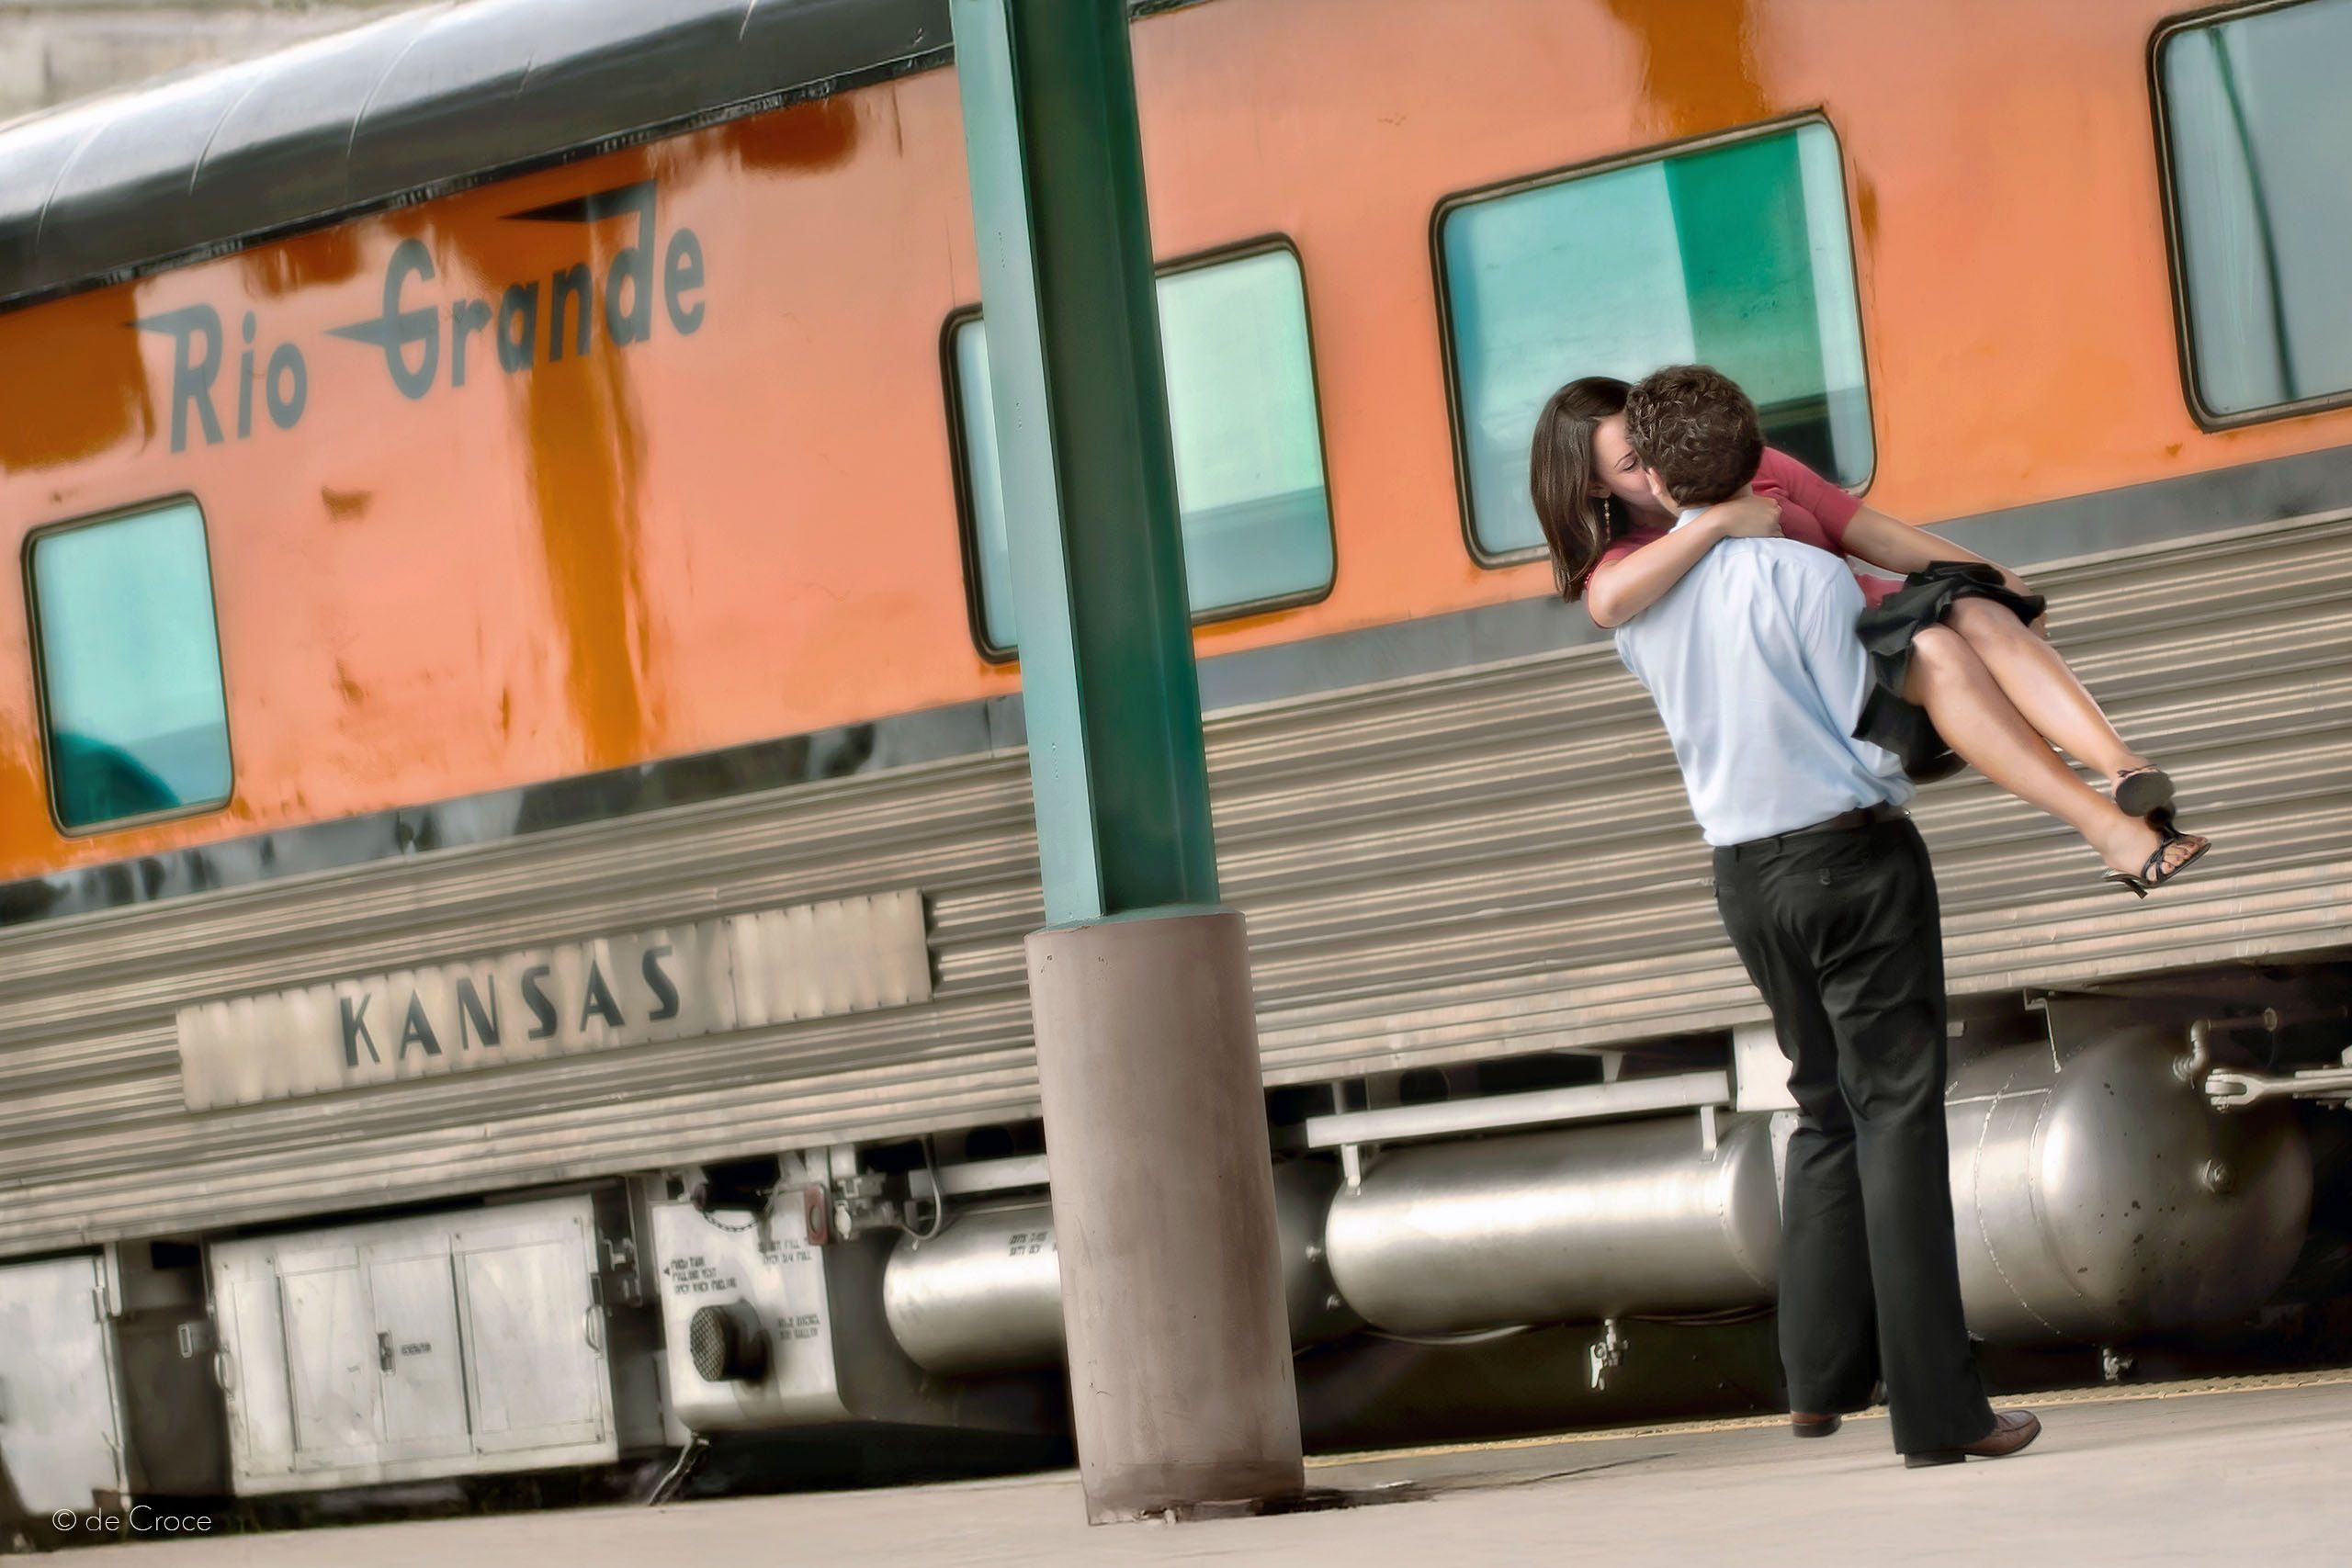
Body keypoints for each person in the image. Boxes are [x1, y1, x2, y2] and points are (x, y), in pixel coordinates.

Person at [1585, 364, 2041, 1467]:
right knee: (1897, 1119)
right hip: (1850, 860)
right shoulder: (1803, 573)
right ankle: (1940, 1414)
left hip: (1744, 879)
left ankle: (1815, 1380)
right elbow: (1869, 722)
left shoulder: (1639, 615)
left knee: (1823, 1107)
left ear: (1658, 481)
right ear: (1757, 463)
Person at [1529, 374, 2207, 897]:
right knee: (1938, 647)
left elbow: (1872, 533)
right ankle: (2105, 828)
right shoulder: (1628, 556)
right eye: (1629, 465)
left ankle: (2124, 767)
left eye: (1648, 444)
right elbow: (1608, 603)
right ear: (1595, 487)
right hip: (1851, 677)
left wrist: (1995, 572)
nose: (1653, 467)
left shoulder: (1755, 465)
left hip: (1883, 620)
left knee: (1980, 607)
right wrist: (1718, 522)